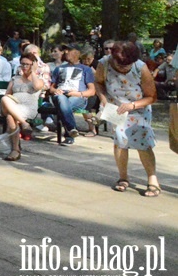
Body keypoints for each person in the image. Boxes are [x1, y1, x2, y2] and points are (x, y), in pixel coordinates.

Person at [96, 41, 161, 197]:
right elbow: (98, 83)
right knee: (120, 140)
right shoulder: (104, 64)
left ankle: (152, 179)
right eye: (120, 65)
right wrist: (103, 100)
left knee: (142, 143)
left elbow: (152, 96)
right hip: (114, 107)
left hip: (138, 107)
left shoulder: (141, 68)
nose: (123, 69)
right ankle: (123, 177)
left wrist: (132, 105)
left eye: (126, 66)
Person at [0, 52, 45, 161]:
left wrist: (33, 71)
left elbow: (37, 86)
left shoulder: (39, 79)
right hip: (13, 104)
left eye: (28, 64)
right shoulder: (15, 78)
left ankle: (15, 150)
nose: (24, 67)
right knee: (4, 99)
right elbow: (7, 94)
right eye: (22, 64)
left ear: (33, 65)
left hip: (28, 107)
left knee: (10, 117)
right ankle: (24, 124)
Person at [49, 44, 96, 145]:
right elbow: (51, 87)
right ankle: (71, 129)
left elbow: (92, 91)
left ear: (78, 53)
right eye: (66, 50)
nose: (66, 52)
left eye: (69, 50)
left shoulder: (85, 69)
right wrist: (55, 91)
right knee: (61, 99)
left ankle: (70, 133)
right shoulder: (59, 69)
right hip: (60, 95)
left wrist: (78, 93)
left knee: (65, 104)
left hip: (78, 97)